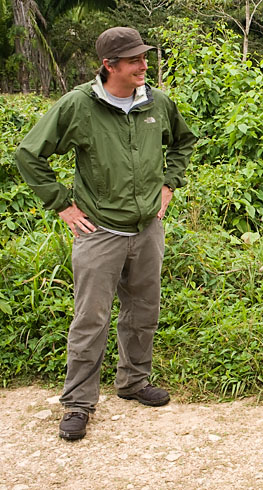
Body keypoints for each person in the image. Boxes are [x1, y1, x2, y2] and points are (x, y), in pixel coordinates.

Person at [15, 27, 196, 441]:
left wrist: (169, 184)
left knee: (143, 311)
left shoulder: (157, 102)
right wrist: (61, 203)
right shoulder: (79, 105)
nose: (143, 66)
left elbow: (183, 143)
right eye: (134, 60)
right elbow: (29, 154)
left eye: (144, 58)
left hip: (147, 229)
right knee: (91, 319)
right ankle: (78, 403)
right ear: (109, 65)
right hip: (99, 232)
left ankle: (133, 381)